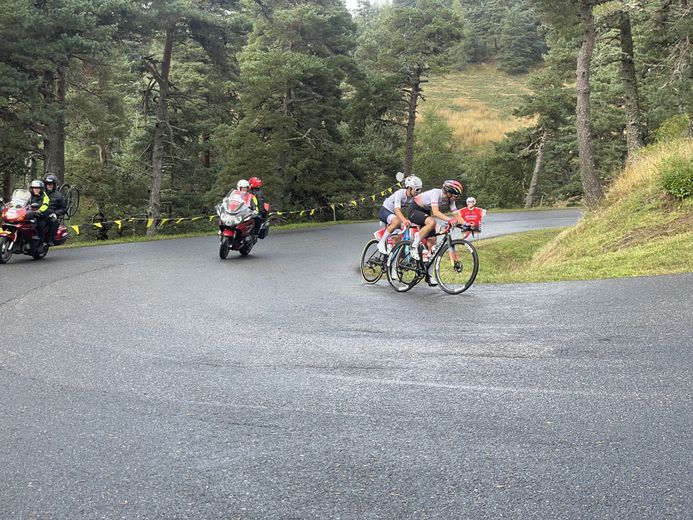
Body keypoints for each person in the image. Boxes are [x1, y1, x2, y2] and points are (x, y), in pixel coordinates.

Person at [407, 179, 466, 261]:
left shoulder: (451, 200)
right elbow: (435, 212)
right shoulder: (436, 193)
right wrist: (450, 220)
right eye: (455, 196)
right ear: (448, 193)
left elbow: (457, 216)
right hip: (414, 209)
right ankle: (414, 246)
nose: (457, 198)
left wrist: (466, 225)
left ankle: (427, 268)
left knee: (432, 241)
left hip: (425, 212)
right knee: (432, 222)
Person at [377, 175, 423, 254]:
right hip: (385, 211)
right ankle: (381, 242)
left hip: (394, 215)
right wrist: (404, 220)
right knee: (397, 221)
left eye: (420, 190)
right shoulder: (400, 193)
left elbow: (415, 211)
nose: (418, 192)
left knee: (397, 238)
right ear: (409, 188)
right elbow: (397, 210)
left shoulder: (413, 198)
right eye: (417, 190)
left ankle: (390, 257)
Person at [43, 173, 66, 245]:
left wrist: (55, 213)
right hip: (40, 213)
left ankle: (50, 239)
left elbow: (63, 208)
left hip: (51, 214)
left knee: (54, 222)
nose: (49, 185)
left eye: (51, 184)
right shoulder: (41, 193)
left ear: (54, 185)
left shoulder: (59, 196)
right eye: (48, 184)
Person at [28, 179, 50, 248]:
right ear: (32, 189)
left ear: (41, 189)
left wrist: (39, 211)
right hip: (31, 214)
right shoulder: (29, 195)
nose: (36, 190)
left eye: (38, 188)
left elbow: (45, 205)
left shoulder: (44, 196)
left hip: (42, 215)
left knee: (40, 225)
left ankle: (42, 243)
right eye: (34, 188)